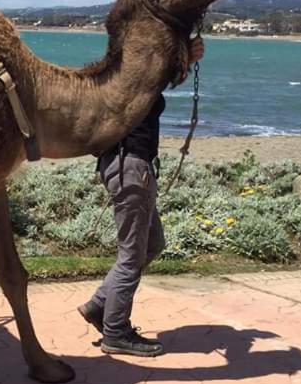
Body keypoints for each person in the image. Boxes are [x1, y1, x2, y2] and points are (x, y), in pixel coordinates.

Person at [77, 36, 205, 356]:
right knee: (131, 256)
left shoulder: (119, 82)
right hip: (131, 168)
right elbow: (156, 78)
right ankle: (116, 332)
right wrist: (184, 59)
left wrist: (183, 62)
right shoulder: (131, 84)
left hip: (126, 167)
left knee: (153, 243)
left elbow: (158, 79)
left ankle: (99, 306)